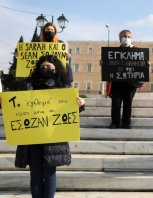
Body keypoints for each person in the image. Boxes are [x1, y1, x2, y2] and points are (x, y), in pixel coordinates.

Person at [13, 55, 85, 198]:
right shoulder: (28, 85)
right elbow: (17, 107)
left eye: (49, 67)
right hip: (32, 136)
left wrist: (81, 105)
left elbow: (70, 110)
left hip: (54, 136)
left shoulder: (63, 87)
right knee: (35, 174)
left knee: (49, 173)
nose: (45, 69)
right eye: (43, 67)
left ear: (56, 69)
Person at [106, 29, 143, 129]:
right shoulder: (113, 52)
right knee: (116, 103)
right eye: (124, 36)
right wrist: (103, 63)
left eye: (128, 37)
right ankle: (115, 122)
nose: (126, 38)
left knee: (128, 103)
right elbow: (108, 66)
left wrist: (146, 64)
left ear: (131, 38)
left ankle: (126, 123)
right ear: (119, 38)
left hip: (131, 83)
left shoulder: (137, 51)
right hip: (117, 82)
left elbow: (142, 65)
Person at [39, 22, 74, 87]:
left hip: (56, 66)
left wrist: (67, 57)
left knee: (68, 68)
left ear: (55, 32)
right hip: (42, 65)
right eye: (48, 29)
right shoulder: (37, 43)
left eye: (52, 30)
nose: (50, 31)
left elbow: (63, 58)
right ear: (44, 31)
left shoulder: (60, 43)